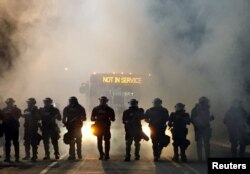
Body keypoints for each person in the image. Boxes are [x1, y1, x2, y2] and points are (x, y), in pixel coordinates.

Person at [91, 96, 115, 160]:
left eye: (104, 101)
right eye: (102, 100)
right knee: (100, 141)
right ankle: (101, 154)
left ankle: (106, 154)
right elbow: (92, 118)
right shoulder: (96, 109)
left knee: (106, 141)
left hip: (106, 127)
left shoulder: (110, 109)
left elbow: (113, 119)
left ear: (106, 101)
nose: (102, 102)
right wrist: (96, 118)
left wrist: (108, 117)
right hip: (98, 127)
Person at [191, 96, 214, 161]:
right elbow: (192, 119)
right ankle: (200, 158)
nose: (206, 103)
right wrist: (197, 124)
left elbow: (207, 118)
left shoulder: (207, 109)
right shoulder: (196, 109)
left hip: (205, 128)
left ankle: (204, 157)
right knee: (201, 143)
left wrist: (210, 118)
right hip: (199, 128)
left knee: (205, 143)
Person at [1, 98, 21, 162]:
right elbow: (1, 118)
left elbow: (17, 117)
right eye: (8, 103)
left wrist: (12, 113)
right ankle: (7, 157)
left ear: (12, 103)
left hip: (14, 128)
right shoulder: (4, 110)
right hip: (7, 128)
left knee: (15, 143)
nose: (9, 104)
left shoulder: (17, 109)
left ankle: (17, 157)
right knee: (7, 143)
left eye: (10, 103)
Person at [22, 98, 41, 162]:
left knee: (34, 142)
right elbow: (25, 117)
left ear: (33, 103)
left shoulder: (36, 110)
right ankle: (27, 155)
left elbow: (39, 118)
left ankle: (34, 155)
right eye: (28, 102)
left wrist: (34, 113)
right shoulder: (26, 110)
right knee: (26, 142)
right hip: (27, 128)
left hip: (33, 128)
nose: (29, 104)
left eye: (30, 103)